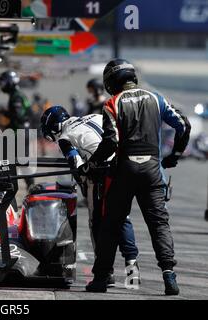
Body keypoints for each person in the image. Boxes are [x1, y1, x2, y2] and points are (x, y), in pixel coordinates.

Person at [81, 59, 191, 295]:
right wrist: (174, 156)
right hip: (152, 169)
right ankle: (169, 275)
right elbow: (184, 125)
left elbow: (111, 143)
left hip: (125, 170)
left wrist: (92, 163)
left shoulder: (112, 103)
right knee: (159, 224)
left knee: (111, 225)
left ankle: (100, 279)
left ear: (111, 81)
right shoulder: (156, 98)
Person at [41, 105, 140, 286]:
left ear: (54, 126)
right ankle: (132, 268)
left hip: (103, 173)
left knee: (97, 223)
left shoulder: (65, 137)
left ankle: (105, 273)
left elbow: (77, 167)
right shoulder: (94, 116)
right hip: (126, 165)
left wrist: (84, 187)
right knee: (123, 217)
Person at [0, 70, 34, 188]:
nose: (2, 85)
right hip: (21, 132)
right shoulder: (17, 94)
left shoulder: (16, 96)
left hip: (20, 133)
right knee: (18, 161)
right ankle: (27, 186)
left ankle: (29, 187)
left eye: (3, 82)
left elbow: (19, 116)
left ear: (10, 82)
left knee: (18, 161)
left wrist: (3, 111)